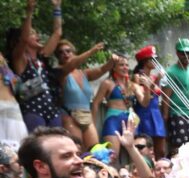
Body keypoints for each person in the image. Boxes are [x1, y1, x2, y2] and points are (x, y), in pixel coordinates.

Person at [9, 0, 63, 132]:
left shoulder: (42, 57)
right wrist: (29, 11)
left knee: (57, 141)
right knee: (38, 143)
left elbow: (57, 33)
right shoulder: (20, 59)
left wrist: (57, 7)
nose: (38, 36)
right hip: (33, 110)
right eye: (33, 33)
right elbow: (24, 38)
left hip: (52, 109)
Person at [54, 40, 114, 149]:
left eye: (68, 51)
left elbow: (101, 69)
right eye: (61, 52)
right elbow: (72, 64)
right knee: (76, 150)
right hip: (70, 116)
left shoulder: (84, 73)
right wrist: (92, 51)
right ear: (58, 57)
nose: (65, 54)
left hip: (86, 115)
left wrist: (113, 61)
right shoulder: (60, 72)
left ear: (74, 53)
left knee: (95, 151)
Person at [91, 55, 145, 163]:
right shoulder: (107, 83)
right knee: (111, 157)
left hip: (131, 121)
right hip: (113, 120)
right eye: (121, 65)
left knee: (135, 158)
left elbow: (144, 103)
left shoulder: (133, 85)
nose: (125, 67)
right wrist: (92, 124)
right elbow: (96, 103)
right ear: (114, 68)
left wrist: (147, 88)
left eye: (126, 65)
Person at [162, 38, 189, 157]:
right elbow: (165, 98)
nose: (186, 56)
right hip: (177, 114)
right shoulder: (170, 72)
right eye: (183, 53)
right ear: (177, 53)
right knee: (179, 150)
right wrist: (165, 122)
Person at [133, 45, 167, 160]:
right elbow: (145, 95)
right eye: (153, 59)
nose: (155, 61)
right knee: (145, 148)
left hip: (156, 113)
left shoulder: (153, 76)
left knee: (161, 150)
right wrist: (156, 81)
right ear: (145, 61)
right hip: (144, 114)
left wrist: (157, 80)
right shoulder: (138, 77)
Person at [0, 52, 28, 151]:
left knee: (18, 147)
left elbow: (14, 84)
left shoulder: (3, 63)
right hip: (7, 105)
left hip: (11, 105)